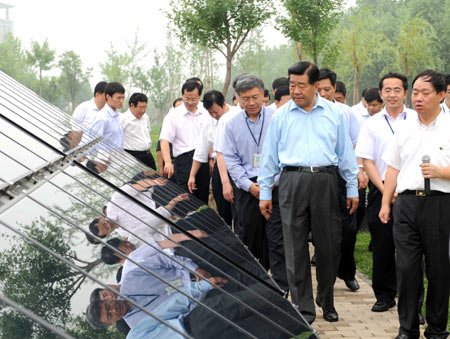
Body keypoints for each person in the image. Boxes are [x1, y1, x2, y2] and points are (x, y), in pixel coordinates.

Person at [258, 61, 359, 323]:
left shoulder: (333, 113)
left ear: (315, 86)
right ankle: (303, 308)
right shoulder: (281, 115)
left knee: (329, 247)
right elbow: (269, 156)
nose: (296, 90)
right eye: (292, 85)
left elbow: (345, 153)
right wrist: (265, 194)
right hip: (291, 181)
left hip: (326, 179)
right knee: (294, 247)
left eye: (301, 85)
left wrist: (351, 186)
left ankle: (326, 300)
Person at [379, 70, 450, 339]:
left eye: (425, 93)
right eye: (415, 93)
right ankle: (407, 329)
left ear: (441, 95)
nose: (417, 98)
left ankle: (436, 328)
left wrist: (441, 172)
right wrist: (386, 203)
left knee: (439, 269)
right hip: (407, 204)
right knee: (407, 268)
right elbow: (393, 168)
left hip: (441, 205)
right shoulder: (404, 127)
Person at [222, 75, 289, 292]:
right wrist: (249, 186)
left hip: (276, 184)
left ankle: (281, 287)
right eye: (245, 98)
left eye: (255, 97)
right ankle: (255, 284)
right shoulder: (232, 125)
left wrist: (271, 184)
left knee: (278, 238)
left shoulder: (278, 118)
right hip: (247, 187)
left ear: (263, 94)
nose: (251, 102)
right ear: (237, 99)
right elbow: (230, 160)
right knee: (250, 236)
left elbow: (286, 153)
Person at [356, 73, 416, 313]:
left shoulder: (416, 119)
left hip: (411, 190)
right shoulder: (371, 123)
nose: (392, 94)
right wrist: (386, 191)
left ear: (405, 93)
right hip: (381, 189)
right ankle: (384, 295)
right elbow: (367, 161)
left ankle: (413, 302)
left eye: (397, 90)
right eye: (387, 90)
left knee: (411, 249)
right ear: (380, 94)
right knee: (382, 246)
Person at [316, 67, 365, 292]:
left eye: (327, 89)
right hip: (316, 177)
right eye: (318, 88)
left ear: (334, 89)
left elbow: (356, 144)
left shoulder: (345, 113)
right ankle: (324, 277)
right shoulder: (304, 113)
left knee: (348, 228)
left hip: (342, 175)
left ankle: (347, 272)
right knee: (321, 228)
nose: (323, 93)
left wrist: (357, 172)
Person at [188, 90, 237, 226]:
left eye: (216, 112)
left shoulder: (237, 114)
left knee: (240, 208)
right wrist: (192, 175)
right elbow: (201, 151)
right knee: (222, 206)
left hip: (237, 165)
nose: (214, 115)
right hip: (219, 167)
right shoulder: (209, 122)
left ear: (224, 104)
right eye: (211, 113)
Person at [160, 81, 210, 204]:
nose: (190, 102)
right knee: (186, 198)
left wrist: (212, 158)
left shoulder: (205, 111)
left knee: (203, 197)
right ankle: (187, 223)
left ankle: (203, 222)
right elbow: (164, 139)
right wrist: (167, 162)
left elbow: (210, 136)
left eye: (194, 99)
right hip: (184, 161)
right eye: (187, 99)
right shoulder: (174, 115)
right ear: (182, 95)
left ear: (199, 97)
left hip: (203, 159)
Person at [119, 93, 155, 170]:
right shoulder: (123, 119)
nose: (143, 111)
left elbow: (148, 132)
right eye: (141, 108)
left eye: (145, 107)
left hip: (147, 154)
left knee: (155, 180)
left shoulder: (145, 117)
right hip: (132, 157)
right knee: (137, 180)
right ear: (132, 105)